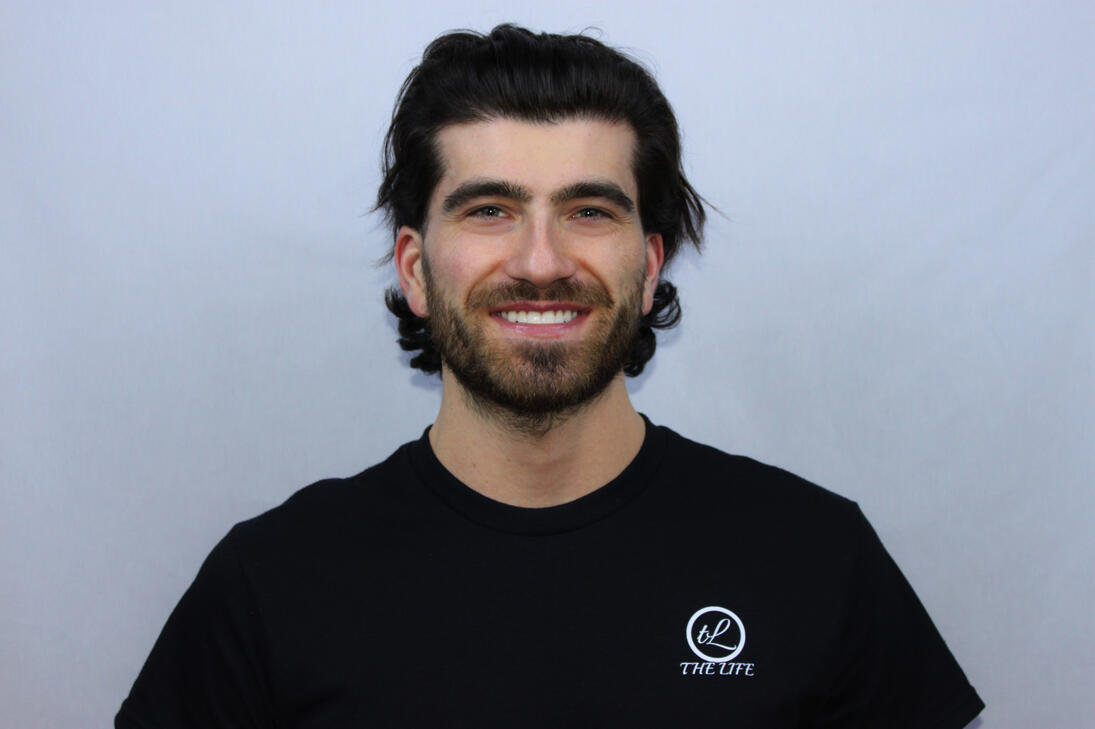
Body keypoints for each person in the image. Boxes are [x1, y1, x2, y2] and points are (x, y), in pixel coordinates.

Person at [117, 24, 984, 728]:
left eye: (588, 210)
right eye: (489, 209)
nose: (540, 261)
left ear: (648, 268)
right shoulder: (270, 584)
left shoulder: (813, 555)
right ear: (415, 269)